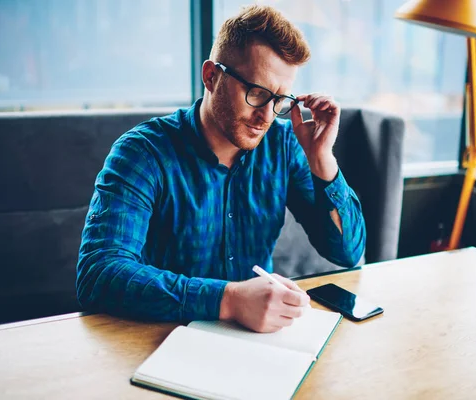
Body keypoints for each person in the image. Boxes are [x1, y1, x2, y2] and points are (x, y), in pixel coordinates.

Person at [76, 5, 366, 333]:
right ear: (212, 76)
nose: (267, 116)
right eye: (257, 93)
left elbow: (347, 253)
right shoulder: (142, 153)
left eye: (280, 100)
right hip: (158, 339)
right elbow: (98, 275)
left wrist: (322, 159)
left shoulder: (283, 146)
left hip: (257, 340)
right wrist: (228, 299)